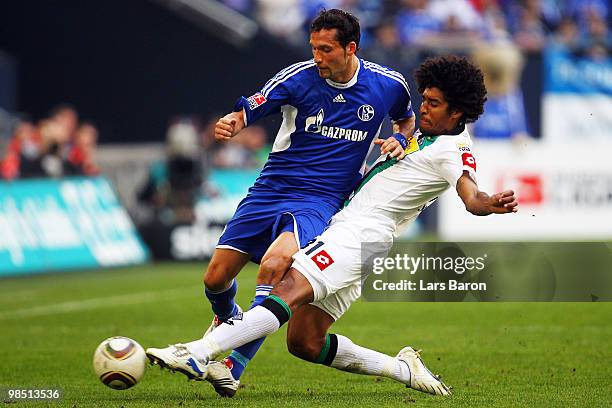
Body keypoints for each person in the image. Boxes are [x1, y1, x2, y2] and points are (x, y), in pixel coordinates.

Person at [146, 55, 518, 397]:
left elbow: (470, 194)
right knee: (305, 342)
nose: (423, 108)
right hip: (353, 233)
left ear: (458, 113)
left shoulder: (454, 150)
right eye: (424, 99)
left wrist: (486, 203)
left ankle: (197, 352)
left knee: (285, 289)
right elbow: (404, 132)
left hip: (360, 235)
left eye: (433, 104)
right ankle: (403, 368)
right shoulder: (425, 134)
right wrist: (399, 137)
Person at [200, 8, 415, 395]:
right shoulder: (298, 77)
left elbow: (407, 120)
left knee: (275, 264)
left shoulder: (388, 85)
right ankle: (228, 317)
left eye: (326, 49)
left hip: (322, 199)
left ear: (351, 48)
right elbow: (252, 105)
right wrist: (234, 122)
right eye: (313, 48)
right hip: (271, 189)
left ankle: (234, 363)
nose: (317, 57)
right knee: (215, 279)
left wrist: (400, 138)